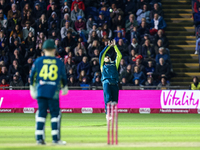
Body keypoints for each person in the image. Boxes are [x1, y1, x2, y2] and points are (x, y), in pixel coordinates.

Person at [29, 39, 68, 145]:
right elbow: (63, 77)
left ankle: (39, 138)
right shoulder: (58, 62)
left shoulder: (38, 61)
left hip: (41, 91)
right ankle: (55, 139)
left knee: (41, 113)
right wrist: (64, 87)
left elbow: (32, 76)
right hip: (53, 92)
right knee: (55, 114)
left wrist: (32, 88)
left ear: (44, 50)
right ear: (54, 50)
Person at [99, 39, 122, 119]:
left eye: (108, 56)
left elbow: (119, 55)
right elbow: (102, 54)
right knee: (108, 98)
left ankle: (112, 113)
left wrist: (115, 46)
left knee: (115, 100)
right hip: (106, 82)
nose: (107, 57)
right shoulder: (102, 65)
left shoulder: (114, 64)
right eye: (106, 57)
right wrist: (108, 47)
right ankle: (108, 113)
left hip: (115, 83)